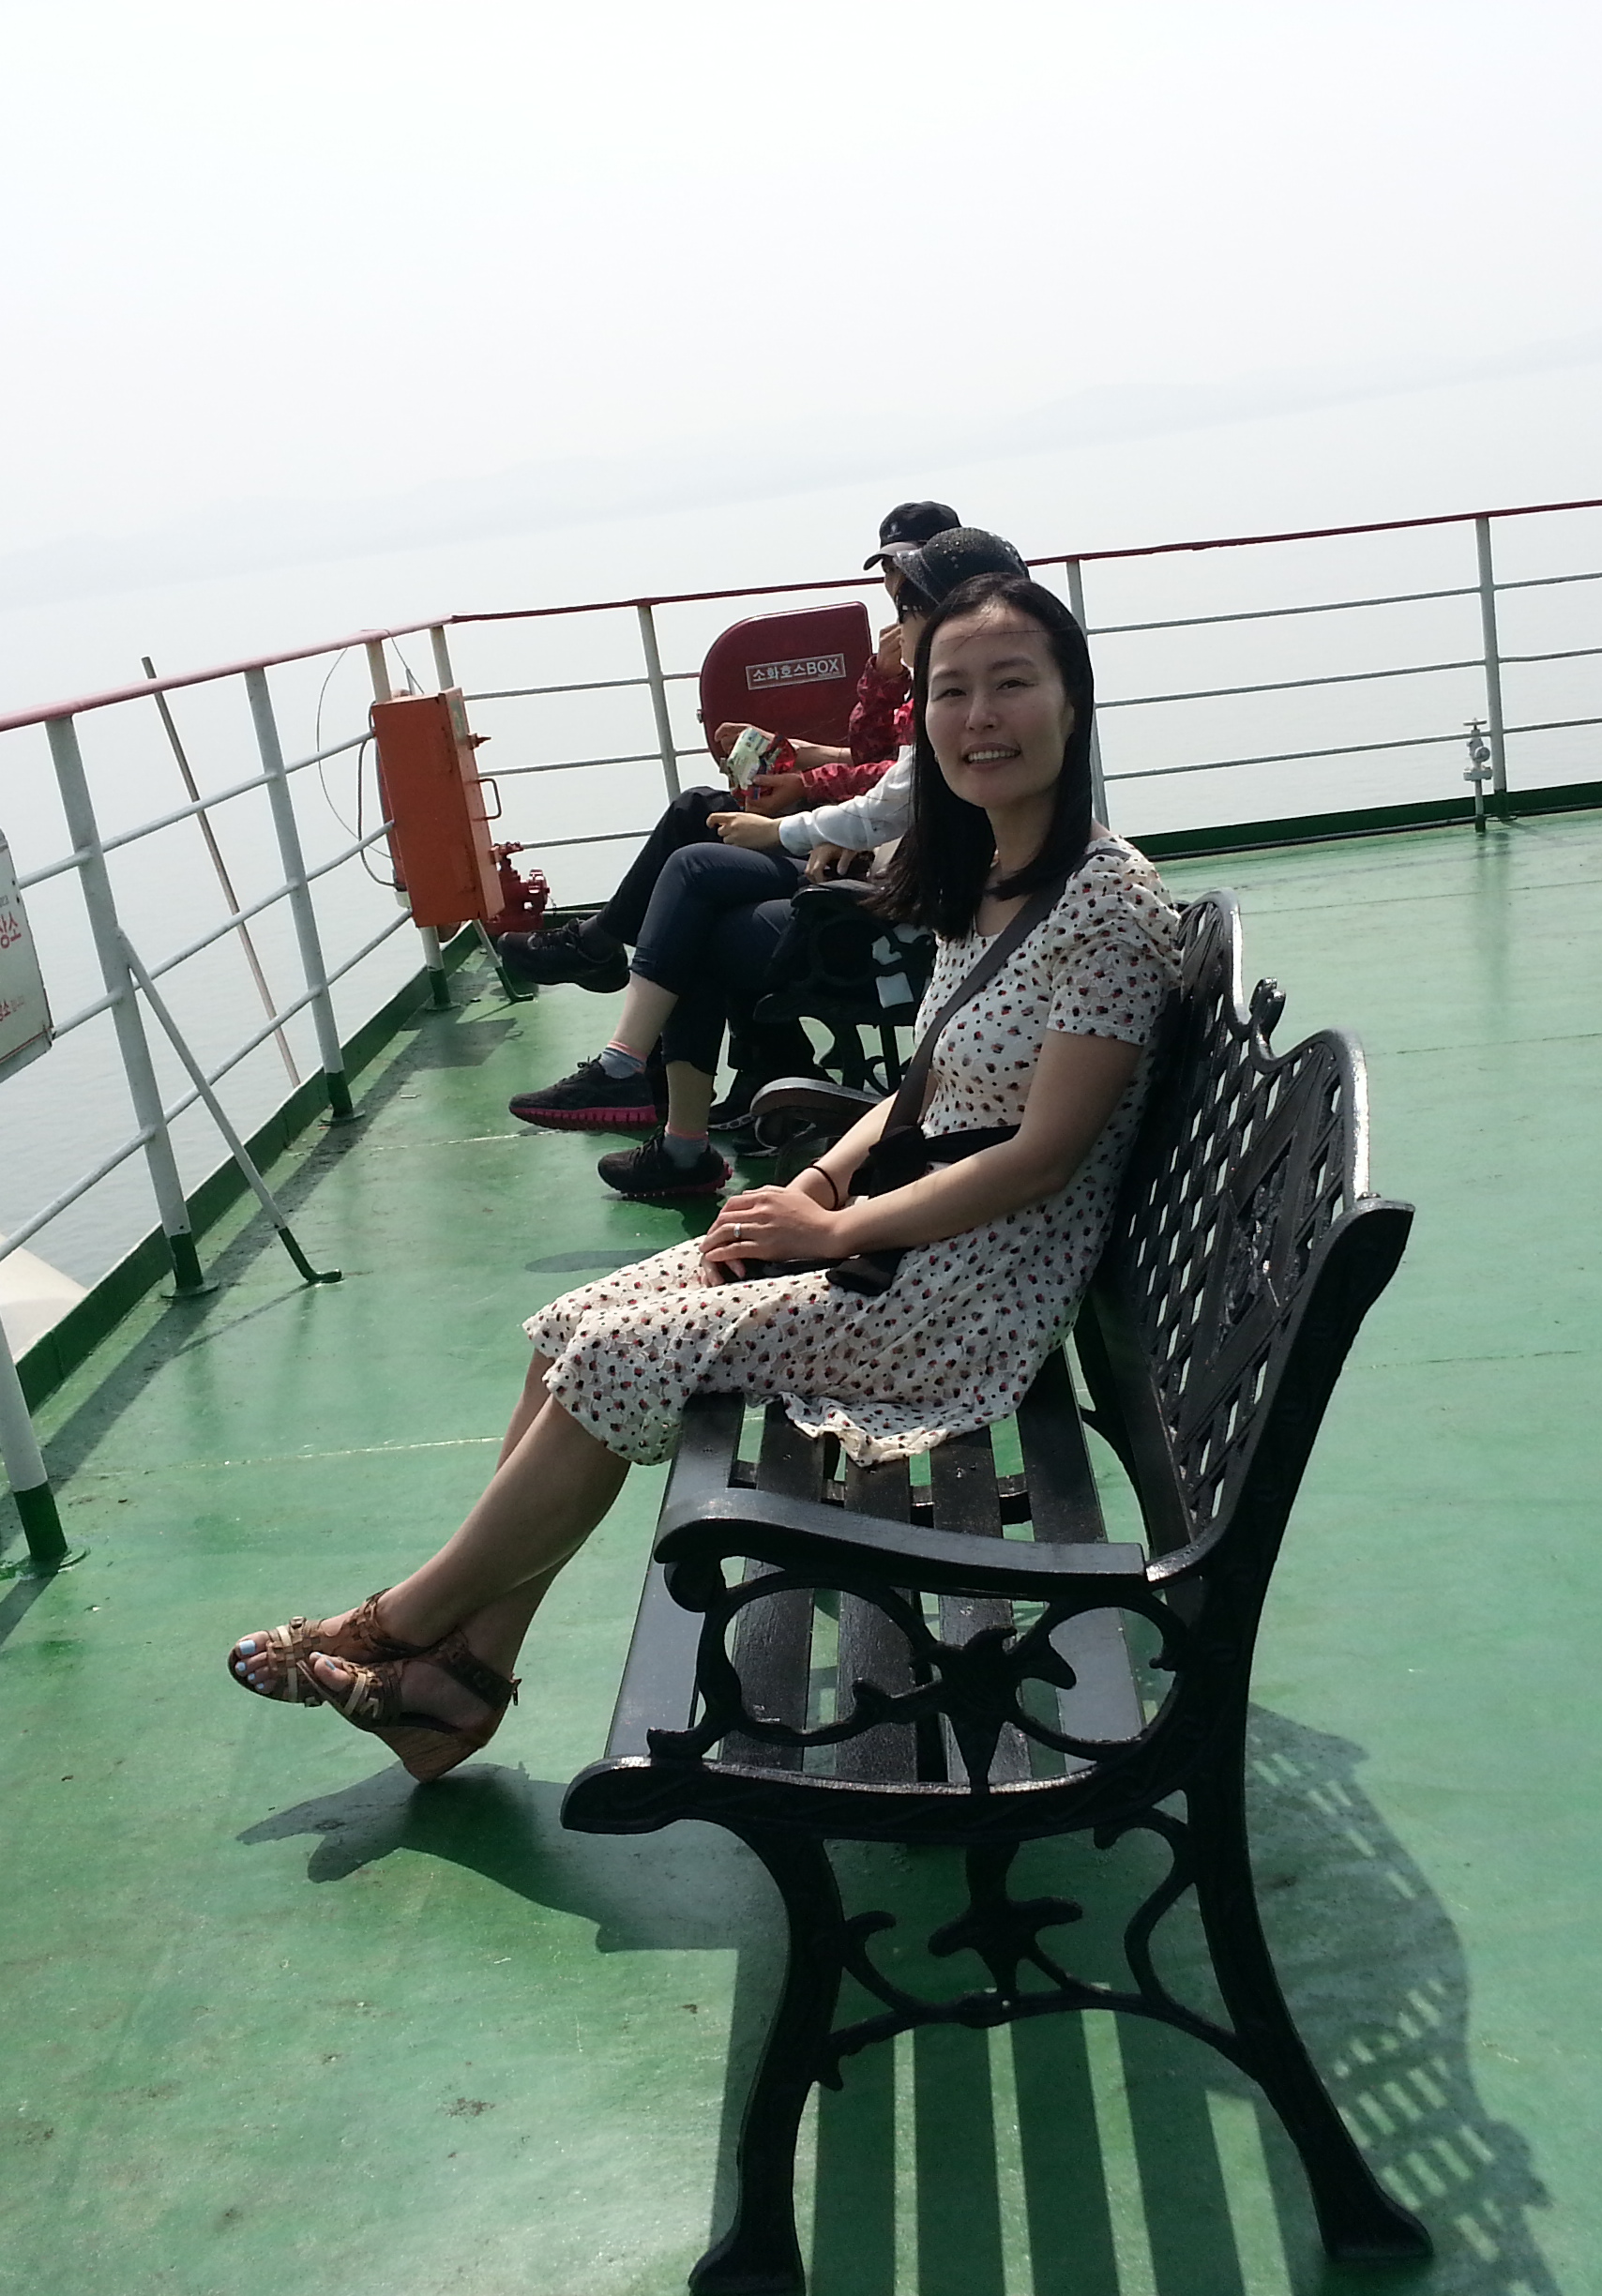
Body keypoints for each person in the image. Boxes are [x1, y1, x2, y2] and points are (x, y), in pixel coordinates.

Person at [224, 572, 1181, 1782]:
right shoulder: (987, 879)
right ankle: (464, 1677)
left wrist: (834, 1234)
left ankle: (399, 1624)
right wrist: (821, 1183)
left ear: (1072, 704)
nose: (979, 717)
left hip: (965, 1296)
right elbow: (928, 1089)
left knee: (619, 1357)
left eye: (1011, 685)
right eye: (952, 691)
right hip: (907, 1242)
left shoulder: (1104, 906)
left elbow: (1041, 1158)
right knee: (570, 1332)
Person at [509, 527, 1034, 1203]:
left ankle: (662, 1112)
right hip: (879, 875)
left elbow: (894, 799)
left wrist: (788, 823)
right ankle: (648, 1084)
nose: (898, 617)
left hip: (894, 917)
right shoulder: (943, 694)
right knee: (695, 857)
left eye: (910, 604)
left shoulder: (956, 704)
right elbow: (888, 781)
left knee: (695, 894)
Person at [493, 498, 960, 994]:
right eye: (889, 567)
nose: (897, 579)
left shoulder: (952, 660)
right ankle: (597, 946)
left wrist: (805, 786)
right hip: (865, 831)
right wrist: (877, 684)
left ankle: (597, 950)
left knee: (697, 864)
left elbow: (903, 782)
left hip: (874, 854)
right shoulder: (911, 650)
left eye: (909, 564)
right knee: (697, 813)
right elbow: (878, 757)